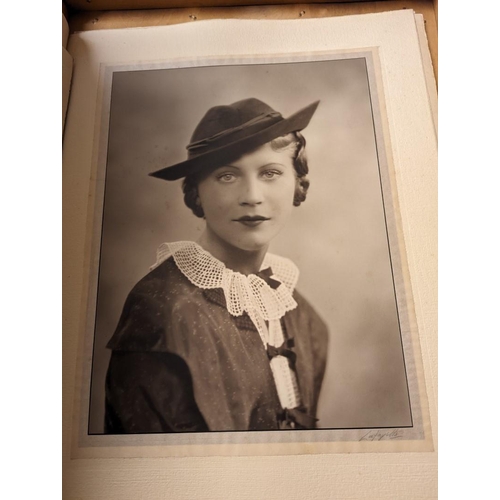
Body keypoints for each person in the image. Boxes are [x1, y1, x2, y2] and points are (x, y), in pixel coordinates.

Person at [104, 97, 329, 433]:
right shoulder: (164, 312)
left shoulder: (305, 321)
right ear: (196, 192)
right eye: (227, 176)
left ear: (299, 184)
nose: (252, 195)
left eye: (270, 173)